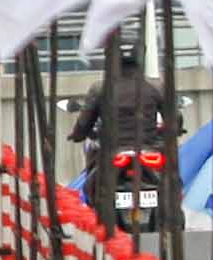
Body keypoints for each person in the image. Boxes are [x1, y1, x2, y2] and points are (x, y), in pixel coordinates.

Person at [68, 27, 175, 220]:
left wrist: (77, 135)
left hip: (112, 151)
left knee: (92, 183)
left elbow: (84, 122)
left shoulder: (101, 88)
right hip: (148, 148)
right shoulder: (155, 87)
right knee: (172, 175)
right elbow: (174, 118)